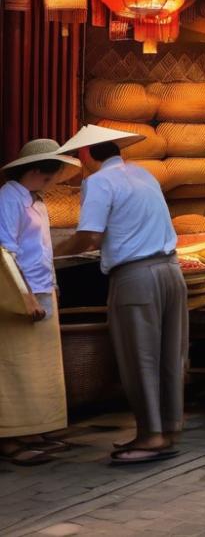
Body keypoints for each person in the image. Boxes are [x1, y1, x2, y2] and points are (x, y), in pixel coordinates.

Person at [55, 125, 187, 465]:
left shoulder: (98, 182)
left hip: (136, 276)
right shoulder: (144, 175)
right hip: (171, 271)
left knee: (139, 356)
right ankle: (169, 427)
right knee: (169, 354)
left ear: (86, 155)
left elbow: (90, 237)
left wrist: (53, 254)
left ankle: (150, 435)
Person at [0, 140, 80, 466]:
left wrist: (53, 286)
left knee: (40, 370)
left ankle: (34, 429)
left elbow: (42, 249)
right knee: (16, 369)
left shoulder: (37, 201)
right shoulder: (9, 198)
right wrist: (26, 296)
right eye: (48, 179)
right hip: (22, 294)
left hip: (43, 288)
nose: (50, 185)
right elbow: (6, 251)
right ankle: (11, 437)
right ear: (34, 171)